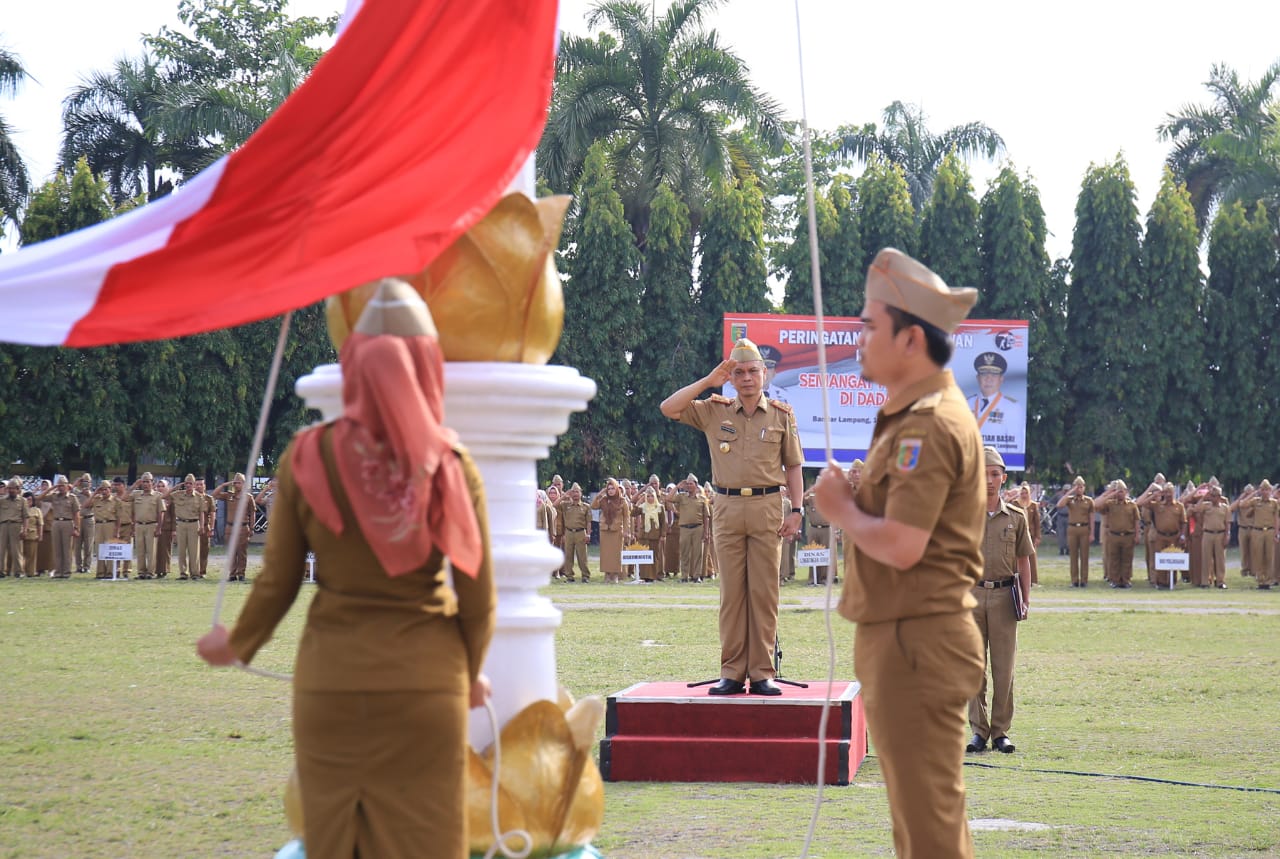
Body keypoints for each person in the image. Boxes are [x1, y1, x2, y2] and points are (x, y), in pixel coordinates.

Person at [197, 279, 496, 859]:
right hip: (427, 685)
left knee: (335, 844)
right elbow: (479, 600)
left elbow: (278, 581)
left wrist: (235, 642)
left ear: (353, 364)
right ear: (426, 365)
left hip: (329, 687)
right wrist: (468, 673)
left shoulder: (308, 455)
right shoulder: (451, 466)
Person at [813, 247, 986, 858]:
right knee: (920, 827)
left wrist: (843, 511)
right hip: (907, 640)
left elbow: (905, 546)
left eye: (868, 326)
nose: (858, 338)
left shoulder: (929, 425)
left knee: (930, 832)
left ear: (911, 339)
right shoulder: (910, 415)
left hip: (919, 645)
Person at [661, 338, 804, 697]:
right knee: (732, 594)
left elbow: (794, 466)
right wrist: (708, 381)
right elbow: (669, 407)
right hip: (726, 506)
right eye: (738, 373)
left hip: (768, 506)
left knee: (764, 592)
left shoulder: (781, 415)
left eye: (753, 371)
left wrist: (798, 510)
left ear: (765, 374)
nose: (746, 378)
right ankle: (731, 671)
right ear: (731, 378)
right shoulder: (715, 410)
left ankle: (761, 673)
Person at [967, 447, 1032, 755]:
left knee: (1003, 670)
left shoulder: (1016, 517)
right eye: (983, 475)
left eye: (995, 475)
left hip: (1006, 596)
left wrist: (1026, 600)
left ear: (1003, 478)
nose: (989, 481)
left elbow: (1023, 561)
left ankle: (1000, 732)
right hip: (971, 595)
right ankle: (978, 731)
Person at [968, 352, 1024, 452]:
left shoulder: (1012, 408)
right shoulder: (966, 404)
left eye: (994, 374)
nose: (989, 379)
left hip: (996, 465)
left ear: (1001, 379)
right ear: (978, 378)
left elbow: (1015, 448)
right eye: (984, 373)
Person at [1137, 482, 1186, 588]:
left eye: (1170, 492)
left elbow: (1183, 523)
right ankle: (1161, 582)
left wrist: (1182, 536)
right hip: (1160, 536)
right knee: (1161, 560)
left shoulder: (1179, 506)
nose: (1169, 495)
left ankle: (1172, 582)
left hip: (1174, 537)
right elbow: (1140, 503)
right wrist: (1155, 495)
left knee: (1173, 560)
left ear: (1174, 493)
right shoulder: (1157, 505)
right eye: (1166, 492)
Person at [212, 473, 257, 581]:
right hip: (230, 527)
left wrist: (252, 528)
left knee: (242, 552)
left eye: (239, 483)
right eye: (235, 482)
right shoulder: (229, 495)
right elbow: (214, 494)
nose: (237, 485)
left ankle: (241, 573)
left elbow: (252, 513)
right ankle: (232, 574)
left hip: (243, 527)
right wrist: (224, 485)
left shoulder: (248, 497)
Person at [1095, 481, 1139, 588]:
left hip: (1128, 535)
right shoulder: (1110, 504)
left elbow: (1136, 520)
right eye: (1118, 492)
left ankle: (1126, 580)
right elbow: (1096, 505)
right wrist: (1110, 494)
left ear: (1126, 492)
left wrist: (1137, 535)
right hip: (1114, 535)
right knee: (1114, 559)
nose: (1120, 494)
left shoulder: (1132, 505)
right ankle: (1115, 580)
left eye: (1122, 491)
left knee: (1127, 559)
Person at [666, 476, 708, 583]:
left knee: (698, 553)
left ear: (696, 485)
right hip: (684, 528)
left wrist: (706, 532)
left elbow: (706, 516)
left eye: (691, 484)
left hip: (698, 527)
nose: (689, 486)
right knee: (684, 553)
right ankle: (684, 576)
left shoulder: (702, 499)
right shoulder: (681, 497)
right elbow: (668, 499)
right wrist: (677, 487)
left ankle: (696, 576)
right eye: (687, 484)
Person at [1239, 481, 1279, 590]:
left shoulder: (1274, 503)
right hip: (1257, 531)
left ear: (1270, 491)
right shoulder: (1255, 501)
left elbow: (1276, 518)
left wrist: (1276, 533)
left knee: (1269, 556)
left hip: (1270, 531)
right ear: (1260, 490)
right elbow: (1242, 504)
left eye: (1267, 490)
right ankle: (1261, 581)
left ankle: (1268, 581)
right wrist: (1253, 494)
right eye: (1262, 489)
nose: (1265, 492)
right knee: (1258, 556)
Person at [38, 476, 81, 578]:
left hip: (67, 523)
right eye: (59, 485)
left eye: (63, 485)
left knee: (67, 549)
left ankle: (66, 572)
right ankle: (58, 572)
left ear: (67, 486)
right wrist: (52, 488)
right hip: (56, 523)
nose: (61, 488)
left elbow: (77, 514)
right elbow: (40, 498)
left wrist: (77, 528)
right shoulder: (54, 496)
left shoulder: (72, 498)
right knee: (57, 549)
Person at [591, 478, 631, 583]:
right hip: (605, 530)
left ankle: (615, 575)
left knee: (616, 554)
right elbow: (593, 506)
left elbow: (627, 517)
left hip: (617, 530)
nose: (610, 491)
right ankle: (607, 575)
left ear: (617, 489)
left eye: (613, 488)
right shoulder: (604, 500)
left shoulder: (622, 501)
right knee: (606, 554)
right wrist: (600, 493)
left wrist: (626, 531)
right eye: (609, 489)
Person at [1057, 477, 1094, 587]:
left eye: (1081, 487)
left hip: (1084, 529)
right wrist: (1071, 491)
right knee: (1073, 556)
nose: (1079, 489)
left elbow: (1091, 517)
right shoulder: (1069, 499)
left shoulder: (1089, 501)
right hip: (1072, 529)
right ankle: (1074, 580)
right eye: (1077, 487)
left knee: (1084, 556)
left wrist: (1091, 533)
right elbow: (1059, 504)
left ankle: (1084, 580)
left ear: (1084, 488)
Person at [166, 474, 205, 580]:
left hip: (193, 523)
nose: (188, 486)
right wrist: (177, 486)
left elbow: (201, 512)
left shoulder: (199, 497)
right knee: (181, 550)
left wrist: (202, 526)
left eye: (190, 484)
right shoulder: (178, 494)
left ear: (194, 485)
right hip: (181, 524)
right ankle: (183, 573)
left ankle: (195, 573)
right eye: (186, 483)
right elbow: (165, 496)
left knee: (194, 550)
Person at [130, 472, 166, 579]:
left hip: (151, 526)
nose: (145, 484)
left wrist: (159, 528)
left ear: (152, 483)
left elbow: (161, 513)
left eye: (148, 482)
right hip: (139, 525)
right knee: (140, 550)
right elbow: (125, 497)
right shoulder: (136, 494)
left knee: (151, 551)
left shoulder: (157, 496)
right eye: (143, 482)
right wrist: (134, 485)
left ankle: (150, 572)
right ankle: (141, 572)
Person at [557, 483, 592, 582]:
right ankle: (569, 576)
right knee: (568, 555)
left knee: (582, 556)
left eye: (577, 491)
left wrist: (588, 534)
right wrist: (564, 496)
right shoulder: (565, 505)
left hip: (581, 532)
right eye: (573, 492)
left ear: (581, 493)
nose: (575, 494)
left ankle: (585, 576)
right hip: (568, 532)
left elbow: (589, 522)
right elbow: (554, 505)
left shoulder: (586, 506)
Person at [633, 486, 665, 583]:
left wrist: (663, 535)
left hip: (655, 535)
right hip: (644, 535)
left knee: (654, 556)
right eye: (648, 496)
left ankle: (652, 576)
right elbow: (633, 513)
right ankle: (643, 575)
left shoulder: (660, 507)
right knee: (644, 555)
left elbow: (663, 522)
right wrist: (639, 501)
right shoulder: (642, 507)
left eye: (652, 496)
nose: (650, 498)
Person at [89, 482, 121, 579]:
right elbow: (85, 505)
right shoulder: (97, 500)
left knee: (110, 549)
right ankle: (100, 572)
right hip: (99, 525)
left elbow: (119, 517)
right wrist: (95, 493)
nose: (104, 491)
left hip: (110, 524)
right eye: (102, 489)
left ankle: (110, 573)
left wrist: (117, 531)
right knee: (100, 549)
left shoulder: (115, 501)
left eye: (106, 489)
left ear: (110, 489)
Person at [1016, 483, 1041, 586]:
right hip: (1018, 535)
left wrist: (1038, 536)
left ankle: (1033, 581)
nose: (1024, 495)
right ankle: (1018, 579)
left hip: (1030, 534)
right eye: (1022, 493)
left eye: (1026, 493)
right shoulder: (1015, 504)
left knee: (1032, 557)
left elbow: (1037, 522)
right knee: (1018, 558)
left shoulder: (1033, 505)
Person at [0, 478, 26, 577]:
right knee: (1, 550)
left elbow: (25, 516)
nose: (11, 490)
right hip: (3, 525)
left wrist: (24, 529)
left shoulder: (22, 501)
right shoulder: (2, 500)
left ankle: (18, 571)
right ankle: (1, 571)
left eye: (13, 488)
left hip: (16, 525)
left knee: (17, 550)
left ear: (18, 489)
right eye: (9, 488)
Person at [71, 472, 95, 573]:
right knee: (77, 545)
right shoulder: (76, 493)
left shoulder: (93, 493)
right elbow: (69, 490)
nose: (86, 484)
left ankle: (87, 566)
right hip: (79, 519)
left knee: (88, 544)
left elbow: (93, 504)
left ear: (91, 483)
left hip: (89, 519)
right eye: (84, 481)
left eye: (88, 482)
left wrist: (89, 494)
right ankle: (78, 566)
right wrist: (76, 483)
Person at [21, 491, 44, 577]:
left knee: (31, 555)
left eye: (30, 499)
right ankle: (20, 571)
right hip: (21, 534)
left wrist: (40, 535)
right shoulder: (20, 510)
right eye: (26, 499)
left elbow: (40, 524)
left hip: (32, 535)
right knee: (20, 554)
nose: (28, 501)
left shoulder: (37, 510)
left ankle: (30, 572)